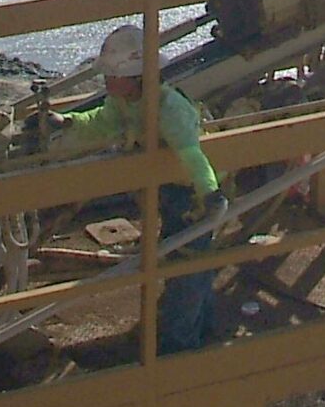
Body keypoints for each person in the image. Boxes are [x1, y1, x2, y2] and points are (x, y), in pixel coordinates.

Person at [56, 24, 223, 353]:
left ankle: (179, 346)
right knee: (188, 263)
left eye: (112, 76)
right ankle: (205, 326)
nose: (106, 82)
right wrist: (69, 122)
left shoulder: (169, 109)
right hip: (172, 190)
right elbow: (102, 123)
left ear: (135, 76)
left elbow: (192, 154)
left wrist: (211, 194)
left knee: (186, 268)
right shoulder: (126, 102)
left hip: (193, 196)